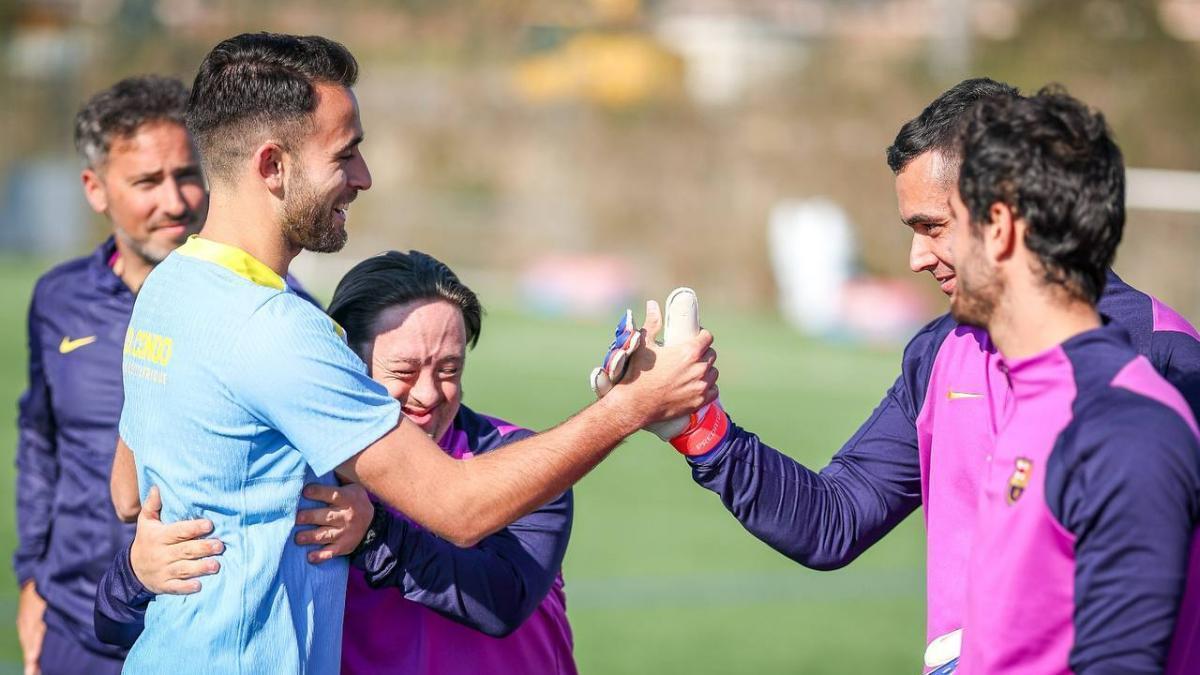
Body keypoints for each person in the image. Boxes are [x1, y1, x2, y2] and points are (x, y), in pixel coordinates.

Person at [110, 32, 715, 674]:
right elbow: (459, 507)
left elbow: (128, 491)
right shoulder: (277, 330)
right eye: (346, 155)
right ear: (272, 166)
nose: (363, 178)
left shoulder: (170, 286)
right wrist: (633, 405)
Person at [612, 77, 1200, 667]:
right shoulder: (941, 350)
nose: (915, 259)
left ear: (1002, 215)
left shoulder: (1161, 364)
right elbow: (833, 518)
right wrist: (700, 428)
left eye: (932, 226)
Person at [96, 250, 579, 674]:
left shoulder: (518, 463)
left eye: (449, 369)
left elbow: (500, 600)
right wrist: (136, 576)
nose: (430, 393)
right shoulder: (295, 476)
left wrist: (374, 535)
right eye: (404, 371)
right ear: (342, 364)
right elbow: (112, 623)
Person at [949, 87, 1200, 673]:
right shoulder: (1041, 396)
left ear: (1000, 229)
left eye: (953, 225)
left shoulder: (1125, 431)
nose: (932, 254)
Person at [13, 75, 207, 675]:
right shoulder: (58, 299)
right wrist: (30, 579)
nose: (174, 202)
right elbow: (40, 443)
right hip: (73, 623)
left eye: (186, 174)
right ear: (95, 189)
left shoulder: (267, 308)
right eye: (147, 182)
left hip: (197, 633)